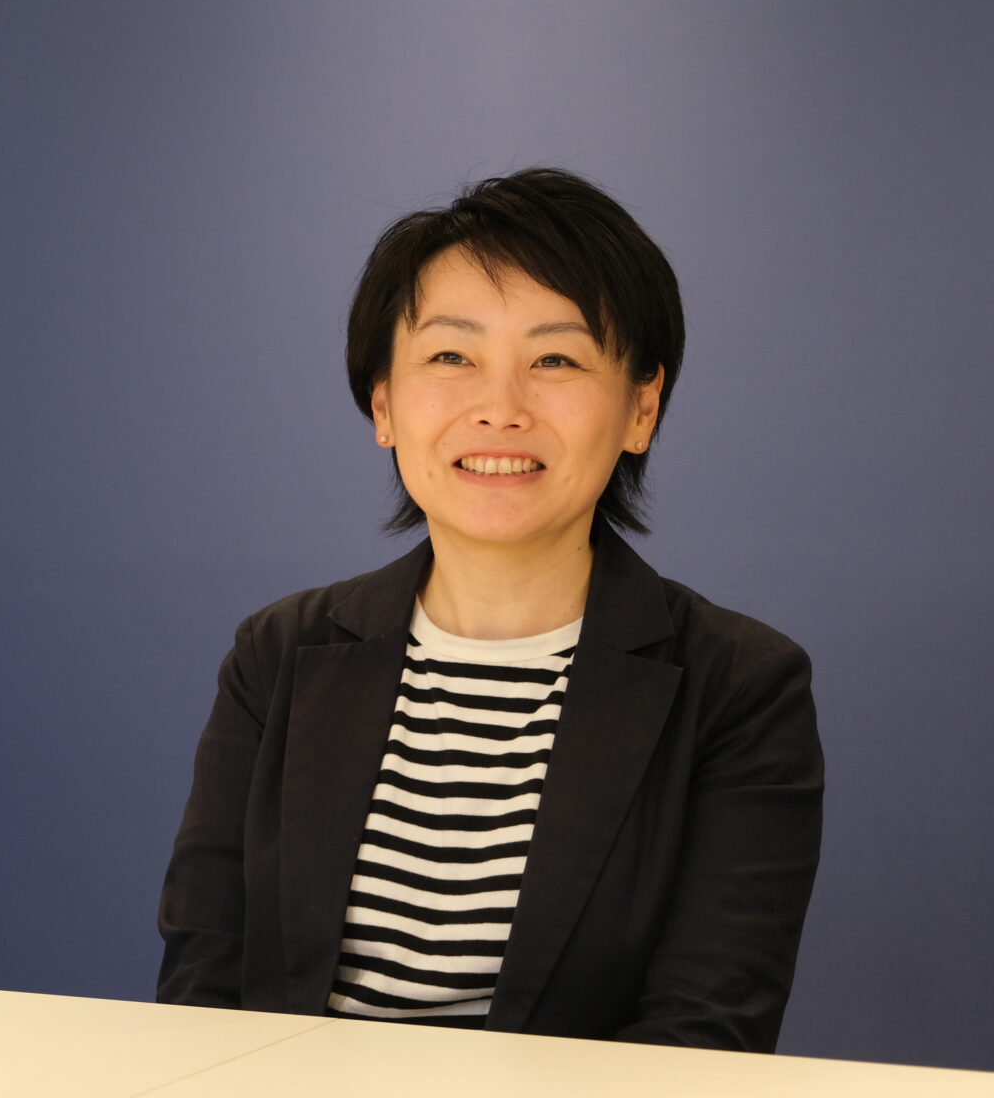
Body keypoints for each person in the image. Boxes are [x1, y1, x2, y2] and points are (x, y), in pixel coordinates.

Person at [155, 168, 823, 1050]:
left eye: (556, 360)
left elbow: (702, 1040)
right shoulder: (278, 655)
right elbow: (204, 992)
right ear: (384, 404)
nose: (500, 409)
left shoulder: (739, 690)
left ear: (641, 407)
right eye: (450, 357)